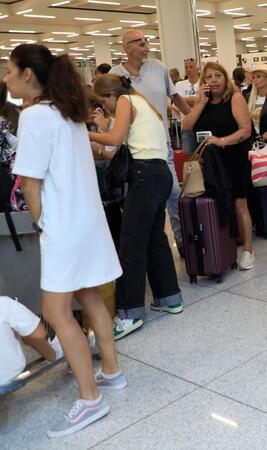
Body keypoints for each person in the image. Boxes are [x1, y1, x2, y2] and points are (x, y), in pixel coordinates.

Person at [6, 44, 124, 437]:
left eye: (9, 70)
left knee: (56, 313)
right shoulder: (67, 111)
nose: (5, 78)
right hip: (88, 220)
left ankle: (91, 399)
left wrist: (42, 225)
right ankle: (111, 371)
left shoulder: (35, 116)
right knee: (90, 296)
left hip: (64, 227)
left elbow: (31, 183)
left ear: (27, 75)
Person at [90, 73, 185, 338]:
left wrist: (83, 132)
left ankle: (130, 314)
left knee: (130, 245)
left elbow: (115, 140)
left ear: (110, 95)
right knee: (155, 239)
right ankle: (169, 297)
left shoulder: (124, 100)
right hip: (159, 174)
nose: (104, 107)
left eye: (102, 102)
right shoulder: (142, 104)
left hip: (144, 178)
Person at [110, 29, 192, 256]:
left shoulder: (159, 68)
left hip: (161, 145)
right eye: (140, 43)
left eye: (147, 42)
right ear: (126, 47)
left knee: (174, 193)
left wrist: (194, 120)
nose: (146, 46)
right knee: (146, 203)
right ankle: (151, 248)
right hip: (133, 149)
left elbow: (176, 98)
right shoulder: (116, 75)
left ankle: (184, 243)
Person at [182, 62, 256, 270]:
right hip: (210, 162)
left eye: (218, 76)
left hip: (233, 157)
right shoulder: (202, 102)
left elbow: (245, 130)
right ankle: (224, 246)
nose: (213, 80)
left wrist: (222, 141)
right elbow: (187, 126)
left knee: (239, 204)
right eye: (208, 77)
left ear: (226, 79)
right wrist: (201, 103)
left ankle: (248, 249)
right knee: (216, 205)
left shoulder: (235, 98)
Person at [0, 296, 63, 387]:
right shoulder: (3, 303)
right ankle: (56, 357)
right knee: (28, 331)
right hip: (7, 377)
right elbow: (39, 334)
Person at [173, 57, 200, 154]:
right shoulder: (179, 85)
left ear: (197, 68)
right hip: (186, 128)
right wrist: (194, 101)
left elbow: (202, 102)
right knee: (189, 158)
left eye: (191, 67)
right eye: (186, 67)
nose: (188, 69)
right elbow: (177, 104)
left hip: (202, 126)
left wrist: (184, 100)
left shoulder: (203, 83)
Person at [245, 63, 267, 141]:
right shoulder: (249, 97)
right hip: (254, 143)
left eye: (258, 76)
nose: (255, 80)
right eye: (253, 77)